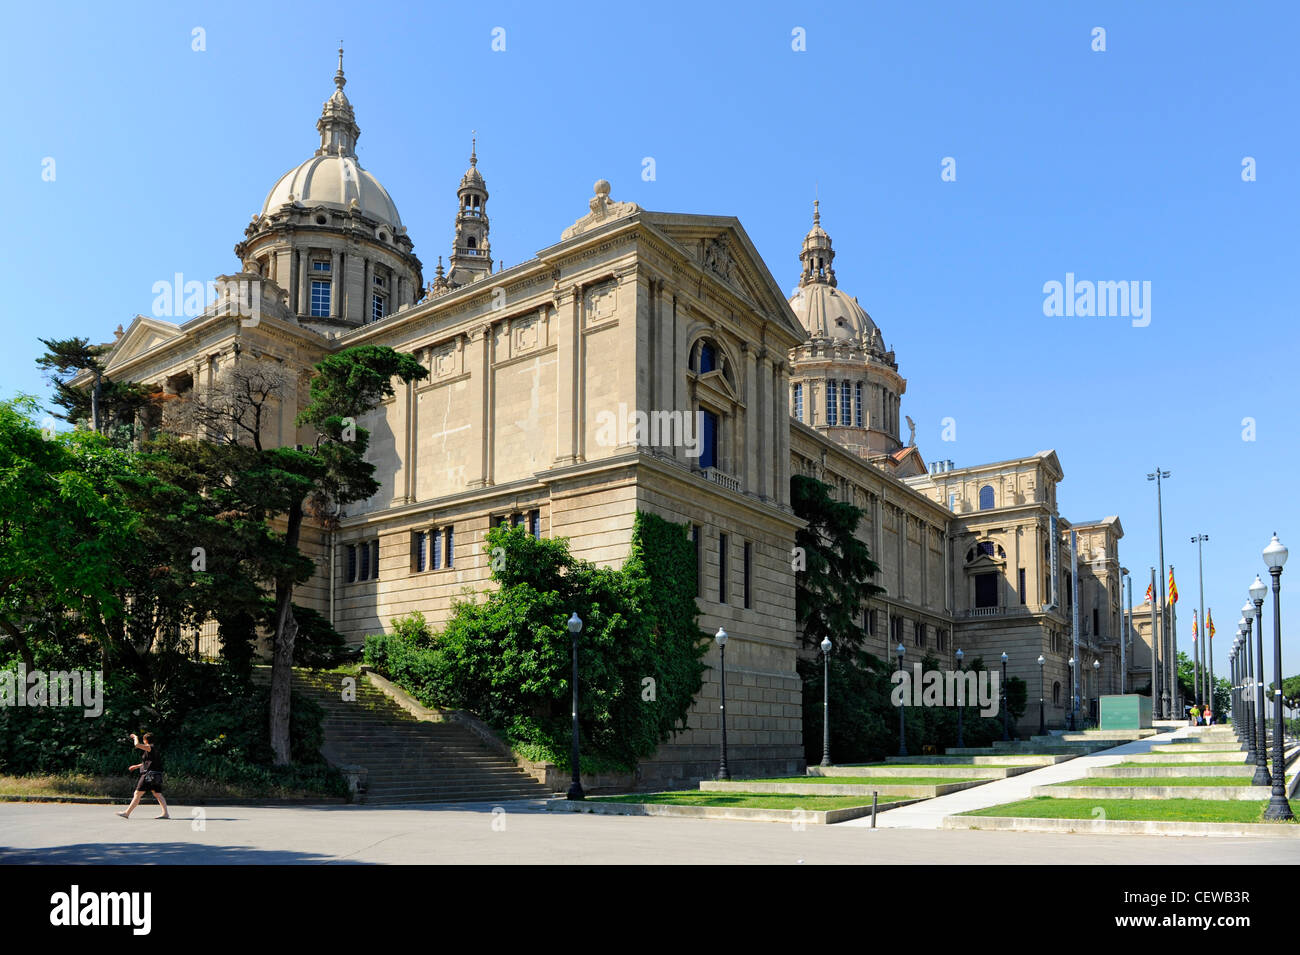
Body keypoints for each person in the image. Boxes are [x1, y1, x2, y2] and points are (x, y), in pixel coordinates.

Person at [116, 732, 170, 819]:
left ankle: (127, 813)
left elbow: (137, 745)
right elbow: (148, 763)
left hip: (149, 775)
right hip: (157, 775)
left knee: (137, 793)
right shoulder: (155, 749)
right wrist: (136, 766)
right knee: (158, 794)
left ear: (145, 740)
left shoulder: (149, 748)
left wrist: (135, 737)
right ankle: (165, 814)